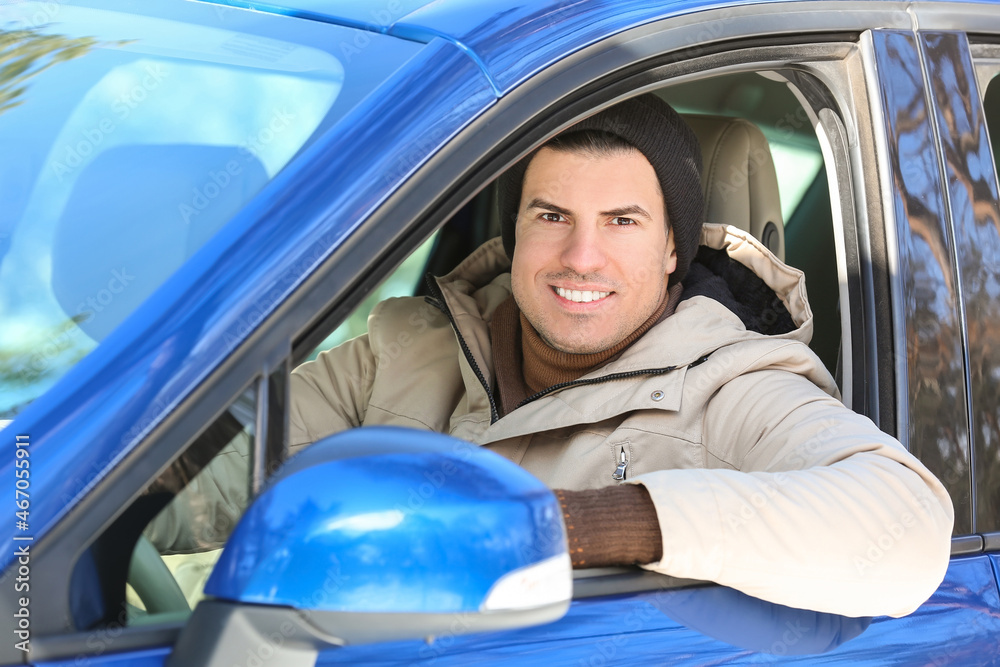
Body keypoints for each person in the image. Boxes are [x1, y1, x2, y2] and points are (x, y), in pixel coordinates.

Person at [169, 94, 954, 619]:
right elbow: (180, 487)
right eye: (552, 214)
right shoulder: (403, 350)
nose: (581, 257)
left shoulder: (728, 386)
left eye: (621, 221)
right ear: (515, 231)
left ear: (674, 244)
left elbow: (909, 526)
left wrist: (566, 526)